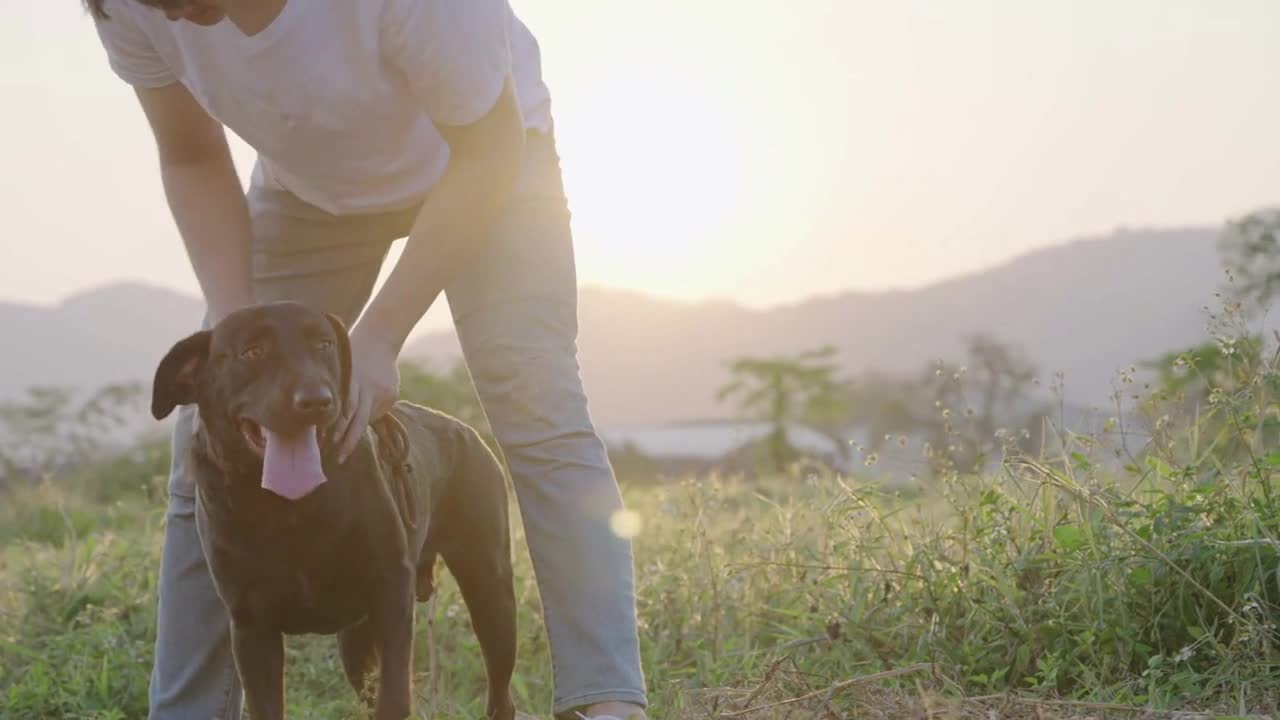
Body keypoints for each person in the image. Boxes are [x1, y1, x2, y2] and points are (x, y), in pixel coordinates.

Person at [84, 0, 649, 718]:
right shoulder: (127, 4)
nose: (186, 18)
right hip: (308, 190)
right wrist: (234, 335)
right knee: (201, 447)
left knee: (538, 406)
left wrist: (379, 337)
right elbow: (191, 153)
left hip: (487, 165)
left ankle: (605, 701)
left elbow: (490, 149)